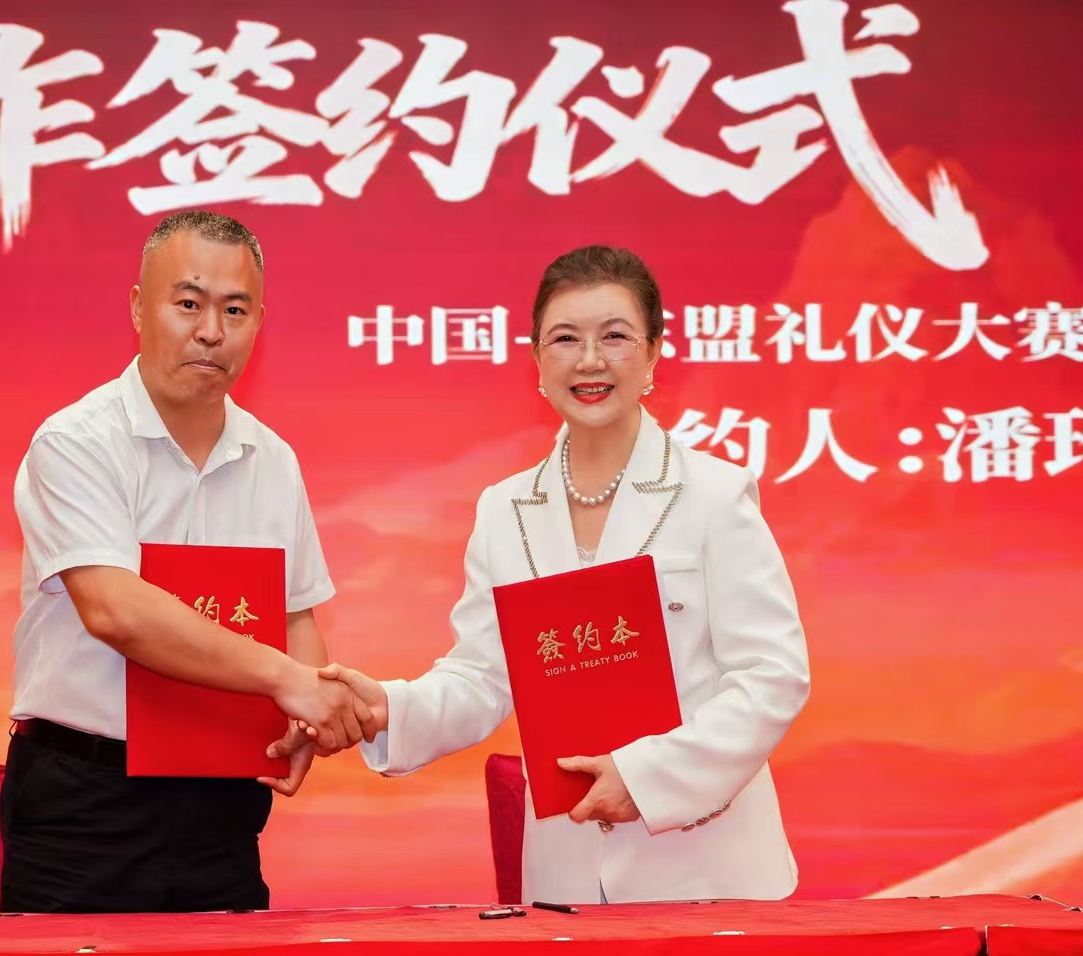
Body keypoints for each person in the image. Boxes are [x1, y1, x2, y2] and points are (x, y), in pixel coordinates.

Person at [288, 245, 810, 904]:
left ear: (653, 355)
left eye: (615, 337)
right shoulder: (504, 509)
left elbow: (772, 675)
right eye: (565, 339)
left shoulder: (713, 494)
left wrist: (648, 777)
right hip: (566, 875)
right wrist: (385, 707)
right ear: (537, 360)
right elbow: (483, 677)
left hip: (708, 870)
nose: (589, 360)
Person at [1, 209, 373, 915]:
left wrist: (304, 718)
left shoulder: (273, 459)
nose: (211, 330)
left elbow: (295, 616)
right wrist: (288, 681)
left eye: (235, 309)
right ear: (140, 308)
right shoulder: (76, 442)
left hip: (222, 805)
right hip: (84, 804)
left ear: (259, 323)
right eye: (189, 303)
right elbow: (115, 609)